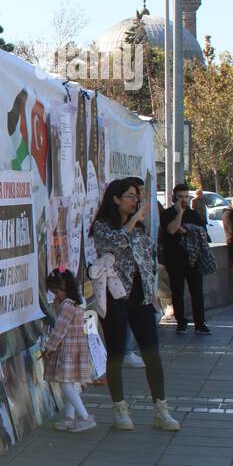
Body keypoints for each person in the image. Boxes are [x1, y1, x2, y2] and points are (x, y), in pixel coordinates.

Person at [90, 178, 179, 431]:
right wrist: (132, 221)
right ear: (116, 199)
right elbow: (114, 242)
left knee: (152, 352)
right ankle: (120, 408)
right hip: (115, 296)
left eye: (136, 196)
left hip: (141, 296)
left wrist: (151, 290)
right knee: (116, 353)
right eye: (130, 196)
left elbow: (149, 256)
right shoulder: (102, 226)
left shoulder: (139, 228)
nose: (135, 201)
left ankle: (161, 409)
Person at [42, 269, 96, 432]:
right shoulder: (78, 303)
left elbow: (60, 329)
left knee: (66, 385)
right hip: (76, 348)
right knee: (69, 383)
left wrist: (49, 348)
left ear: (65, 287)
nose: (55, 296)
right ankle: (69, 417)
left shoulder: (66, 306)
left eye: (56, 292)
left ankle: (85, 416)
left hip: (67, 350)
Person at [160, 183, 210, 334]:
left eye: (186, 197)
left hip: (192, 258)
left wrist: (186, 229)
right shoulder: (167, 213)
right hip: (174, 258)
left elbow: (202, 233)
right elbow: (171, 229)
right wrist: (179, 214)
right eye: (180, 197)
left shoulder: (194, 214)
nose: (183, 200)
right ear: (174, 197)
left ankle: (200, 323)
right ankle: (181, 322)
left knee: (196, 291)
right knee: (177, 290)